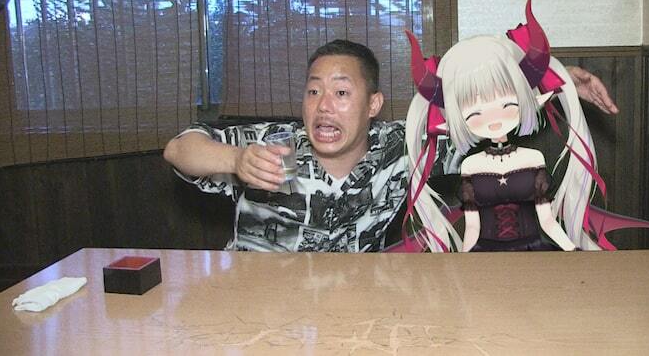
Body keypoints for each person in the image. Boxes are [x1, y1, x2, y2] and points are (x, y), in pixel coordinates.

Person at [164, 38, 618, 252]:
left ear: (373, 105)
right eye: (313, 90)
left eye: (341, 92)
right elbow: (179, 149)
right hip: (253, 302)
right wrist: (236, 160)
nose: (323, 106)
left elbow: (480, 115)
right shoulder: (272, 144)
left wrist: (557, 81)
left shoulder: (402, 147)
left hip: (356, 307)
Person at [404, 5, 600, 252]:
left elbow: (547, 220)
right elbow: (472, 227)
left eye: (507, 104)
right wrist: (463, 261)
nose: (494, 119)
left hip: (533, 250)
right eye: (475, 113)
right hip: (484, 254)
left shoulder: (533, 158)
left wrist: (572, 251)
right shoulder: (470, 165)